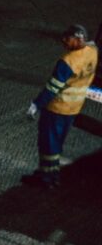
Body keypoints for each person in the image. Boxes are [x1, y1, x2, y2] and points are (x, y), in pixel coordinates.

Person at [23, 24, 98, 190]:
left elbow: (52, 88)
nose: (64, 41)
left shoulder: (68, 62)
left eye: (68, 38)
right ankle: (51, 174)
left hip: (57, 108)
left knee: (48, 143)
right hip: (73, 108)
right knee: (57, 142)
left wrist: (36, 104)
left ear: (78, 39)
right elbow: (93, 45)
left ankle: (47, 178)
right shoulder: (92, 52)